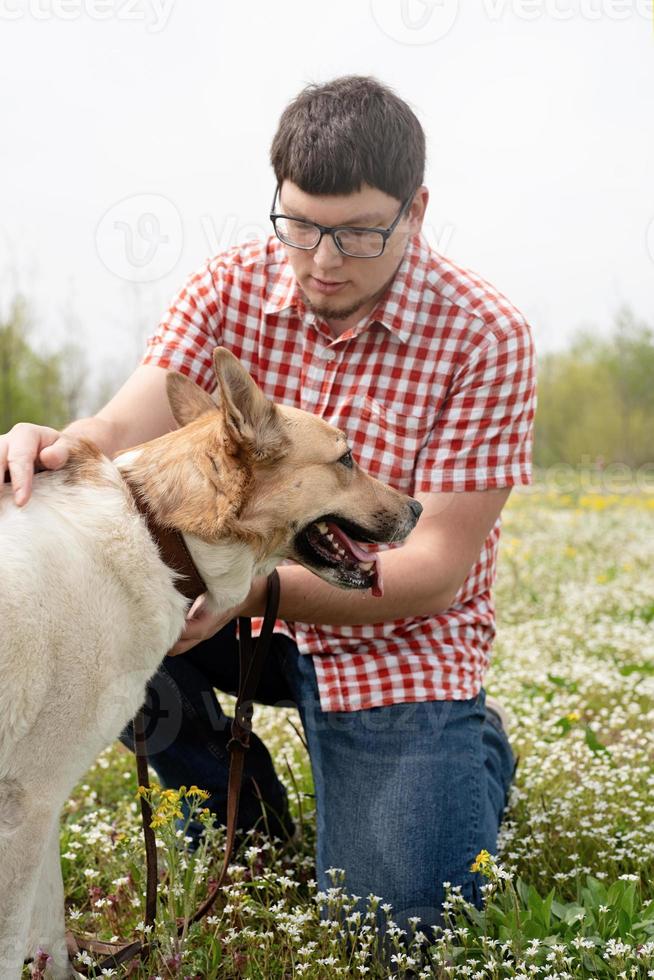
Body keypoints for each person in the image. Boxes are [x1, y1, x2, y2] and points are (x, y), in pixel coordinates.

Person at [0, 75, 536, 933]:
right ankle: (238, 816)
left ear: (417, 211)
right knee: (114, 590)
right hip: (229, 614)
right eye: (300, 226)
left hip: (389, 635)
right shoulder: (228, 284)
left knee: (396, 922)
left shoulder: (487, 336)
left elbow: (433, 570)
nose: (323, 261)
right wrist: (49, 444)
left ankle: (462, 748)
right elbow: (117, 428)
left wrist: (254, 590)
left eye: (358, 232)